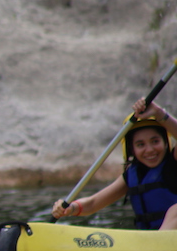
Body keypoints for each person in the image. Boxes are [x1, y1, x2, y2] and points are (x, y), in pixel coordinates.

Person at [52, 98, 177, 229]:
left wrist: (158, 113)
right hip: (149, 242)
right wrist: (70, 208)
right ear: (131, 149)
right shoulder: (132, 175)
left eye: (155, 141)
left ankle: (156, 247)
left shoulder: (173, 163)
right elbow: (93, 203)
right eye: (140, 145)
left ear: (165, 142)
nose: (150, 149)